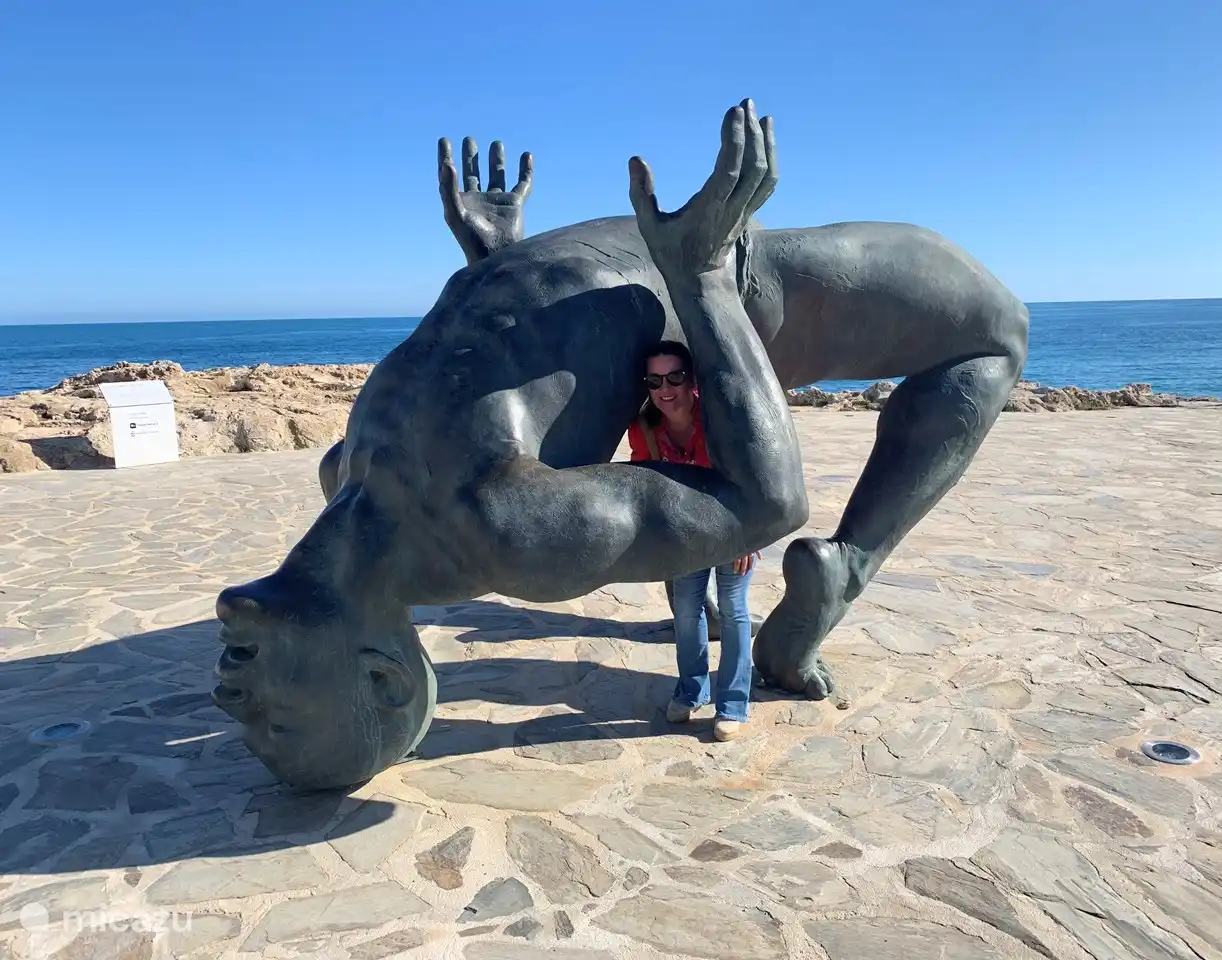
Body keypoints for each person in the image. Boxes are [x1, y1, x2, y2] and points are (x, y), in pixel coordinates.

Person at [213, 100, 1030, 792]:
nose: (231, 688)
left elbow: (499, 395)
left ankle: (830, 570)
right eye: (271, 714)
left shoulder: (358, 482)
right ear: (387, 681)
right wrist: (705, 276)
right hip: (722, 278)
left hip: (617, 273)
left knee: (987, 329)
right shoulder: (482, 520)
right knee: (993, 331)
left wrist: (495, 260)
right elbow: (769, 504)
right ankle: (847, 565)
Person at [627, 340, 759, 741]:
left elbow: (751, 476)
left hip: (733, 529)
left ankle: (733, 704)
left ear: (692, 379)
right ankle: (691, 690)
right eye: (654, 380)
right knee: (686, 611)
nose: (666, 389)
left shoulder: (717, 419)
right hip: (685, 536)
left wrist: (748, 537)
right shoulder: (644, 430)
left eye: (675, 377)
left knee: (734, 611)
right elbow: (643, 485)